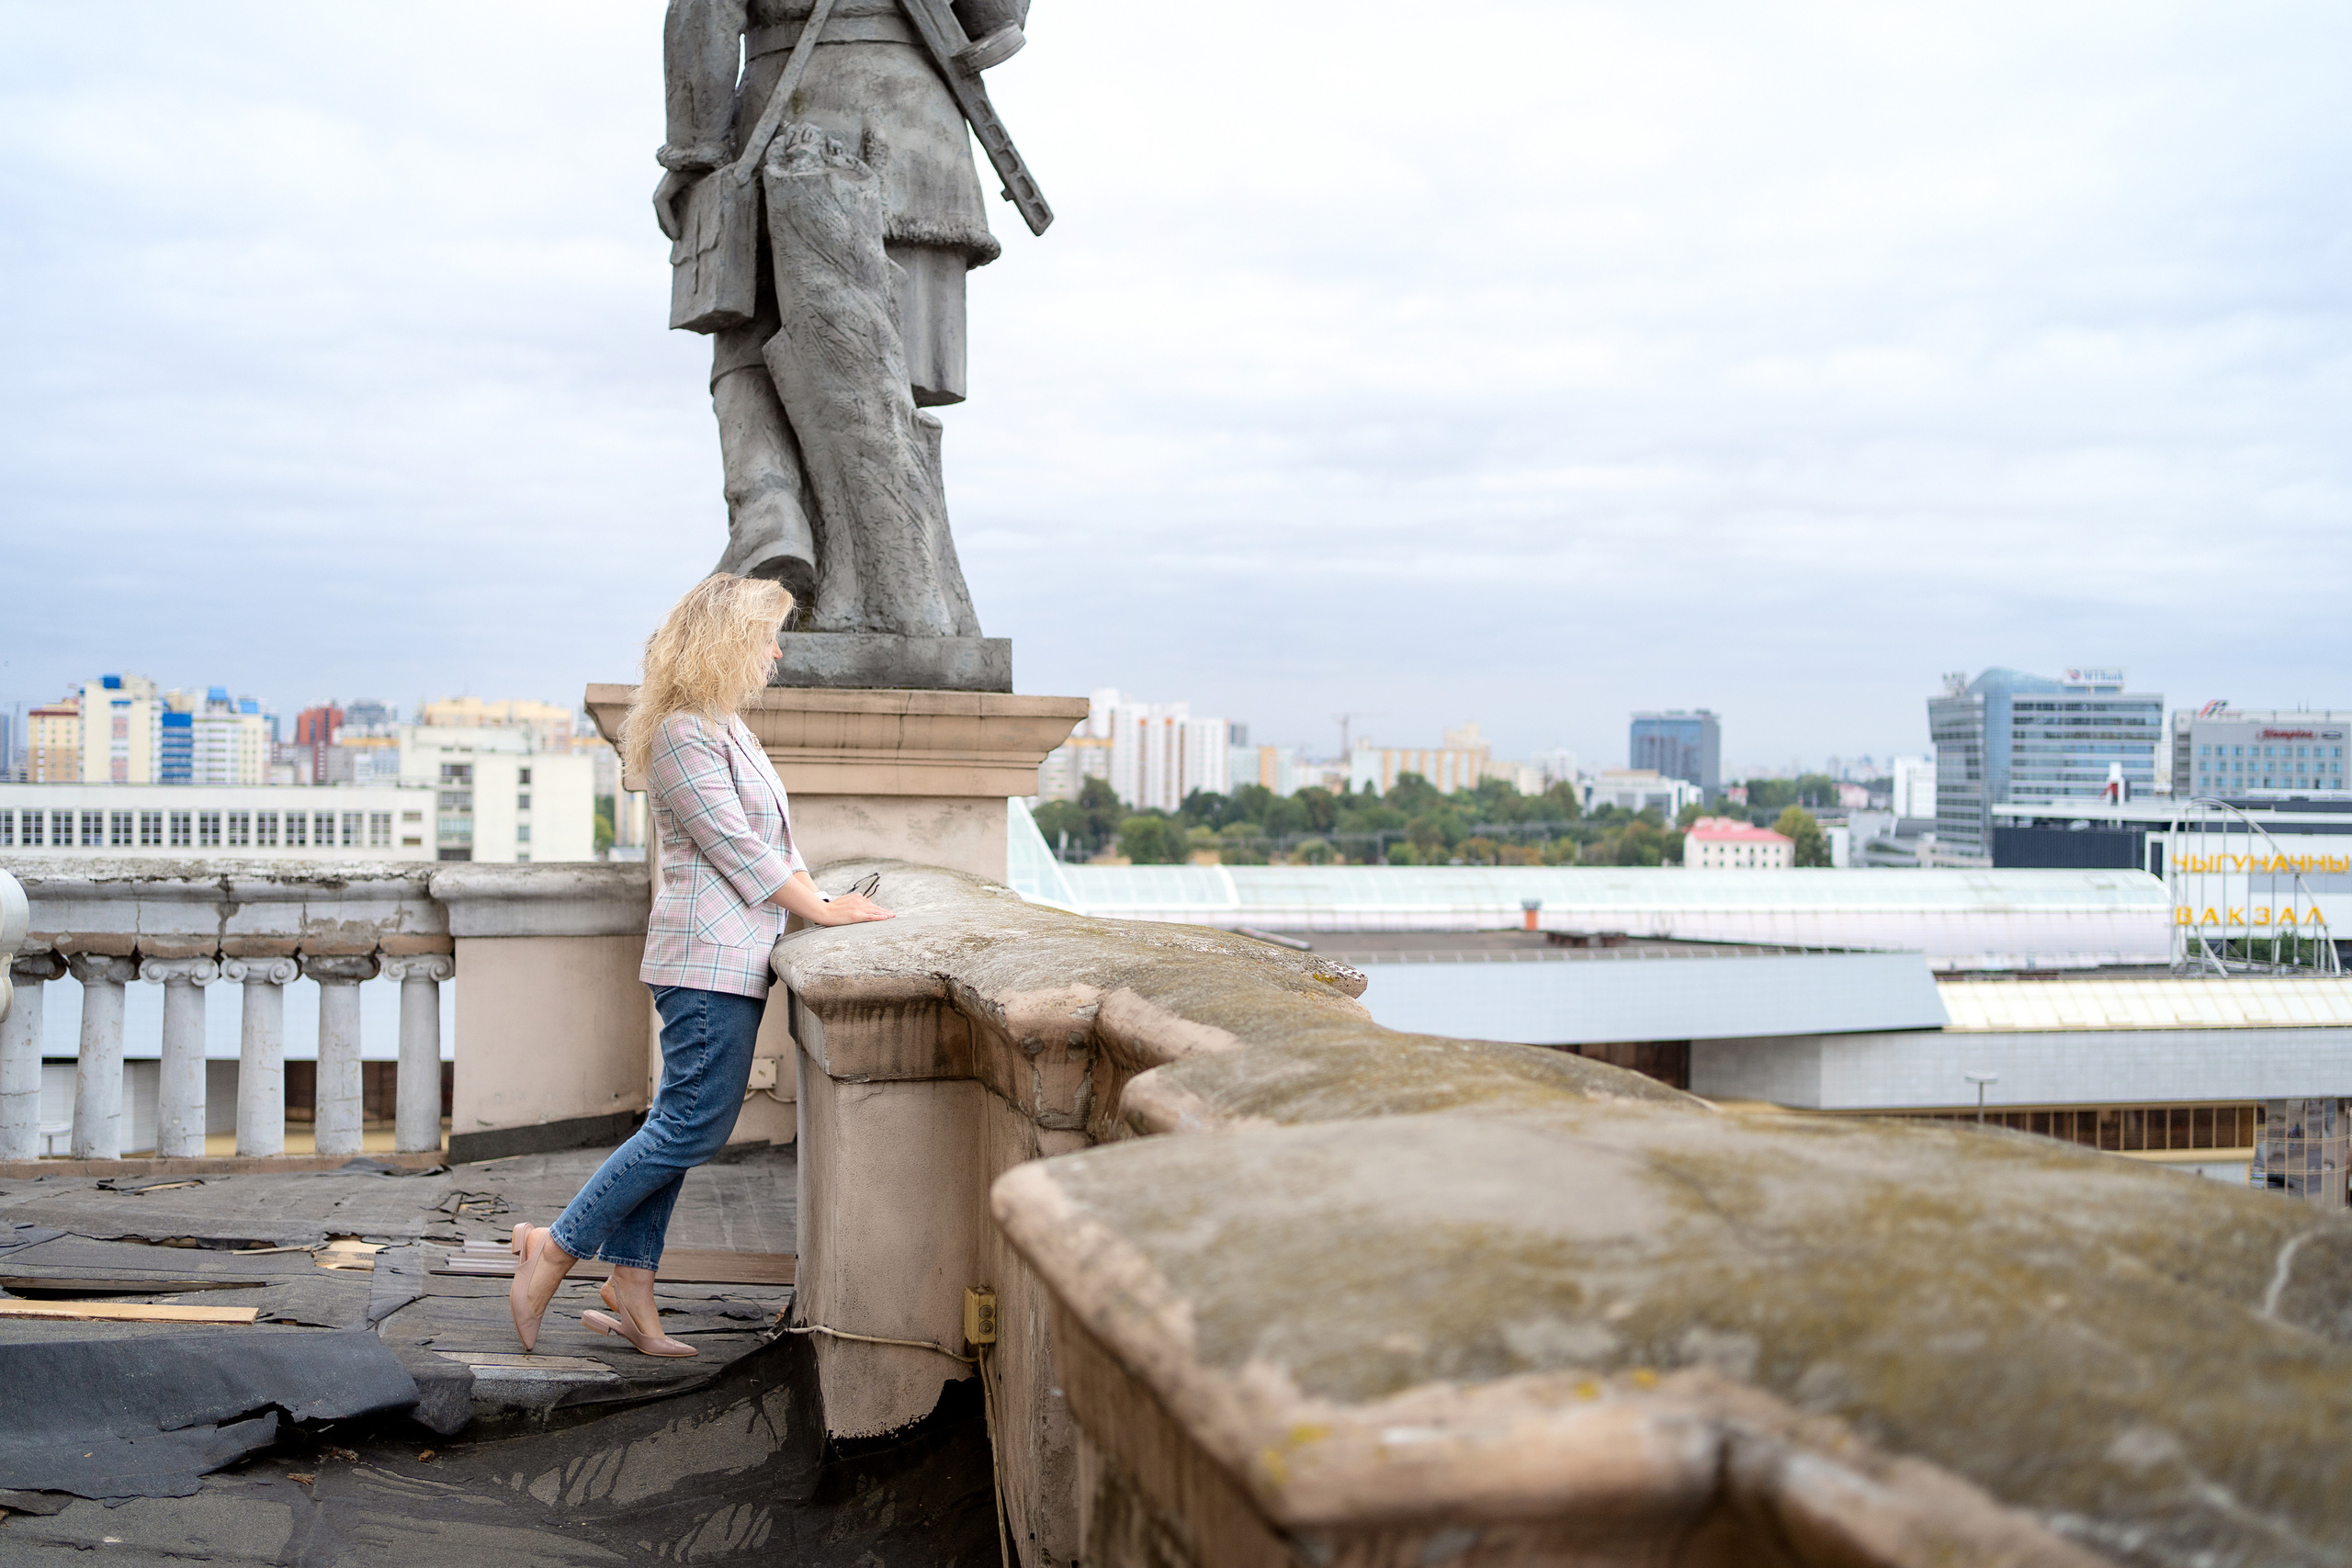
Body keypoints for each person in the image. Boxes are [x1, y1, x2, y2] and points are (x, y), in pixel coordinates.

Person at [508, 573, 894, 1356]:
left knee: (679, 1124)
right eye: (763, 637)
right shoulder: (685, 732)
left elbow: (774, 844)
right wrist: (818, 908)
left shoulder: (725, 728)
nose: (775, 652)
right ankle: (552, 1247)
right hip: (703, 962)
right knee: (691, 1124)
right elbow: (738, 846)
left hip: (731, 959)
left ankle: (631, 1286)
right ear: (723, 643)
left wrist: (819, 894)